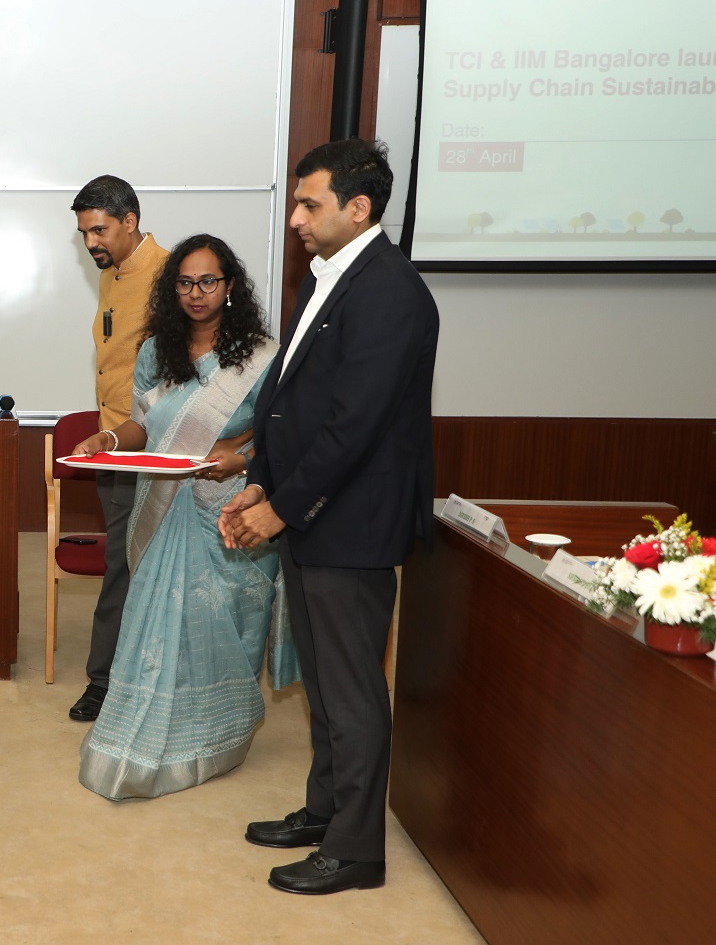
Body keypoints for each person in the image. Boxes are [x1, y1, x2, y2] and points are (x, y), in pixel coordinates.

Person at [220, 139, 438, 895]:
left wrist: (281, 507)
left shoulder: (389, 291)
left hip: (351, 522)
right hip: (313, 513)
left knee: (350, 692)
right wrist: (260, 483)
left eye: (309, 203)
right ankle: (324, 810)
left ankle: (356, 851)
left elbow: (355, 425)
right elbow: (289, 403)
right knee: (321, 683)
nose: (294, 218)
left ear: (359, 207)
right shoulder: (333, 278)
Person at [73, 234, 298, 800]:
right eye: (185, 282)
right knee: (155, 621)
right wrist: (108, 437)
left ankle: (220, 734)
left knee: (228, 623)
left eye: (208, 282)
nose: (196, 294)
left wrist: (241, 459)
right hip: (165, 501)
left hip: (234, 506)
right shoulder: (156, 351)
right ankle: (150, 736)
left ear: (229, 287)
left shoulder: (262, 356)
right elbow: (144, 425)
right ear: (171, 288)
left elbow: (280, 437)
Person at [68, 175, 169, 722]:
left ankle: (108, 683)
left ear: (130, 221)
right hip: (112, 444)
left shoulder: (170, 275)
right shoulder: (114, 272)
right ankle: (113, 679)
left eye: (99, 230)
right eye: (84, 233)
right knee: (121, 564)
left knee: (133, 569)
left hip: (151, 448)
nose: (91, 244)